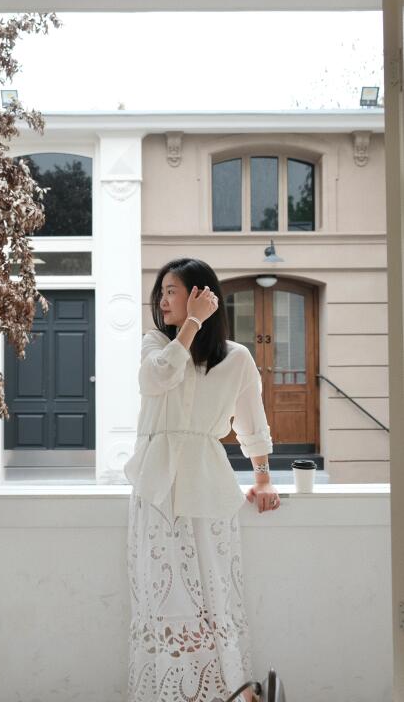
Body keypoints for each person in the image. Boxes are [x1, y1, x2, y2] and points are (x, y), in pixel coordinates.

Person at [125, 258, 280, 702]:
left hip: (208, 486)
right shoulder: (155, 344)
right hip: (156, 491)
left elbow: (251, 422)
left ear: (200, 294)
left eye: (172, 290)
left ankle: (229, 693)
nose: (162, 300)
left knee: (214, 595)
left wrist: (263, 479)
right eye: (161, 291)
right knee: (163, 600)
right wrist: (191, 324)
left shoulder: (236, 358)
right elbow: (156, 379)